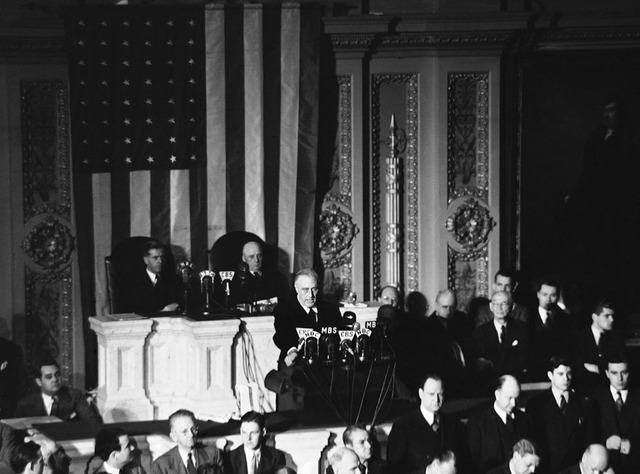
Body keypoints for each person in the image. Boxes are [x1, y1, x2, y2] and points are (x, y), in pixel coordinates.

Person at [527, 355, 597, 473]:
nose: (566, 378)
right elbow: (534, 443)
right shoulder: (535, 405)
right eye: (560, 374)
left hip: (575, 469)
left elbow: (589, 440)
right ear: (550, 375)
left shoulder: (584, 403)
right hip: (547, 470)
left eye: (569, 373)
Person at [386, 374, 464, 473]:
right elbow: (393, 469)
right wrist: (427, 472)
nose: (436, 399)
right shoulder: (402, 427)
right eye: (431, 394)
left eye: (440, 394)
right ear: (421, 393)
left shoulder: (453, 424)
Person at [273, 268, 343, 366]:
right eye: (305, 290)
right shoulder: (284, 310)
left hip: (326, 366)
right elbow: (282, 335)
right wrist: (292, 351)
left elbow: (341, 334)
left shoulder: (331, 309)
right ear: (296, 289)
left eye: (314, 289)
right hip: (296, 366)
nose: (310, 295)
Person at [467, 375, 529, 473]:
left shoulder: (524, 419)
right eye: (509, 398)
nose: (513, 403)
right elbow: (472, 462)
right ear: (497, 394)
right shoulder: (477, 422)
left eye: (516, 398)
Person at [592, 355, 640, 473]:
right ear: (607, 373)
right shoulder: (595, 399)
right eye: (614, 373)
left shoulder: (637, 396)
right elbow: (587, 437)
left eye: (624, 372)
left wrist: (634, 445)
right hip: (605, 468)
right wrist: (605, 443)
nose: (620, 378)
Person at [14, 358, 100, 423]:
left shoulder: (75, 396)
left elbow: (91, 423)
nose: (55, 379)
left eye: (57, 375)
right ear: (39, 382)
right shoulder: (25, 404)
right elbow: (17, 432)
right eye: (49, 377)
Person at [472, 291, 530, 386]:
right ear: (491, 307)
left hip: (516, 380)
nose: (499, 307)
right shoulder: (480, 332)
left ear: (512, 307)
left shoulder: (522, 329)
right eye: (495, 303)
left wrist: (493, 363)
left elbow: (523, 360)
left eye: (504, 303)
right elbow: (482, 365)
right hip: (489, 382)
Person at [423, 290, 473, 396]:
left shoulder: (462, 320)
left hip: (463, 377)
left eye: (452, 307)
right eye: (444, 307)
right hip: (440, 378)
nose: (449, 311)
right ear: (436, 306)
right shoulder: (426, 327)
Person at [151, 409, 224, 474]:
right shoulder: (160, 465)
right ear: (174, 437)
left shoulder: (214, 454)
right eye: (184, 432)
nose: (191, 435)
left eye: (193, 429)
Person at [121, 239, 181, 315]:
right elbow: (130, 310)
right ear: (146, 260)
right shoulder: (132, 282)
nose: (160, 261)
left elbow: (181, 303)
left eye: (162, 257)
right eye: (155, 257)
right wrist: (162, 312)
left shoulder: (175, 280)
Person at [528, 279, 572, 381]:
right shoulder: (527, 316)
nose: (548, 299)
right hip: (532, 373)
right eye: (544, 294)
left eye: (553, 295)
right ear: (538, 294)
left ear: (558, 296)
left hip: (557, 374)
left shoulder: (566, 319)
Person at [230, 241, 289, 306]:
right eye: (251, 256)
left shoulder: (277, 277)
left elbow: (284, 302)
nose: (256, 260)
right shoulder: (235, 279)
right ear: (243, 258)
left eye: (259, 255)